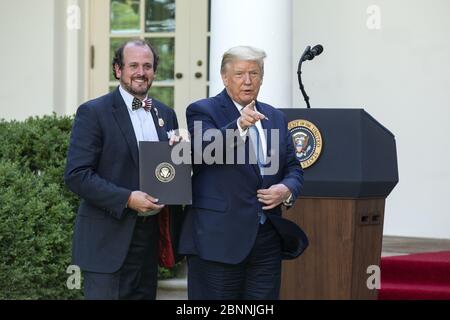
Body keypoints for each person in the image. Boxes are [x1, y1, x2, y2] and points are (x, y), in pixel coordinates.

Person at [179, 46, 304, 299]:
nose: (248, 81)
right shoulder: (203, 110)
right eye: (239, 74)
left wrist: (286, 189)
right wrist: (238, 126)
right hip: (218, 239)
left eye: (254, 73)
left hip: (266, 238)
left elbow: (293, 167)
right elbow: (204, 151)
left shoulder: (276, 117)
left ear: (261, 78)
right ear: (225, 78)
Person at [64, 39, 181, 300]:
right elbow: (77, 175)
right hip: (107, 241)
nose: (141, 72)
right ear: (118, 70)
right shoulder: (93, 112)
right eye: (134, 65)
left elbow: (168, 171)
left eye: (147, 66)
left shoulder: (166, 114)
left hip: (149, 240)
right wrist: (127, 199)